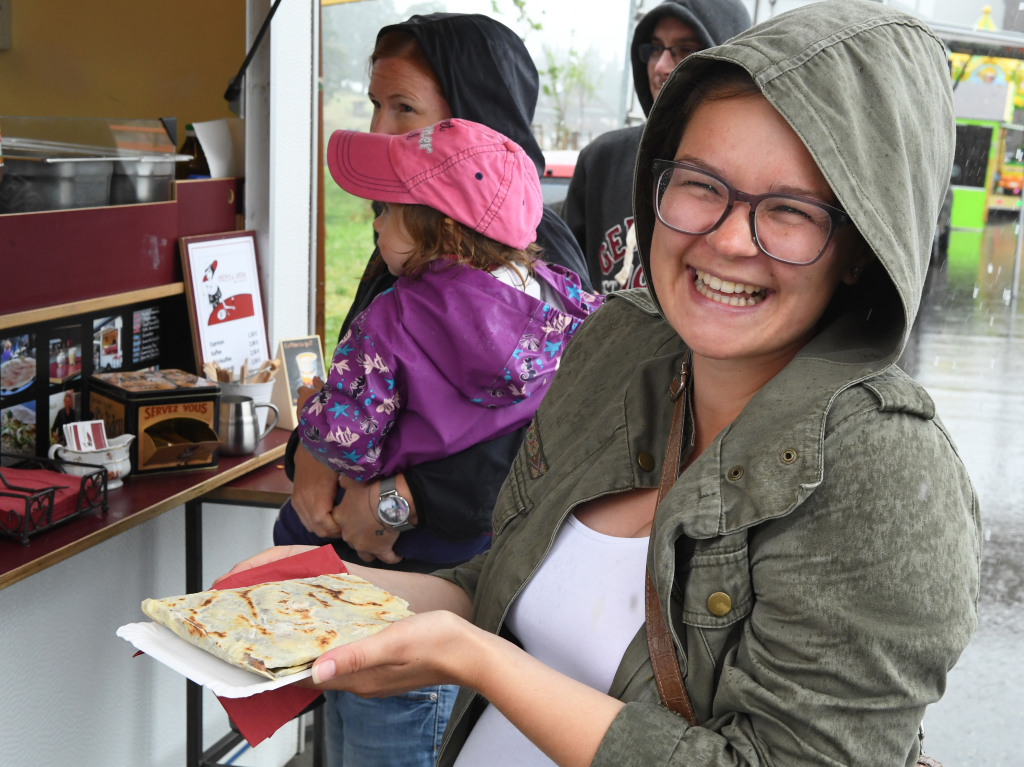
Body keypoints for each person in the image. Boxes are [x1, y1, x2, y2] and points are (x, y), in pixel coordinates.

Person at [230, 2, 983, 765]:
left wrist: (478, 658)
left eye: (787, 210)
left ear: (861, 244)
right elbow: (504, 579)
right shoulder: (619, 344)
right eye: (700, 185)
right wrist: (326, 590)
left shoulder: (885, 469)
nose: (724, 239)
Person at [274, 15, 596, 766]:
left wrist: (382, 497)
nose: (383, 128)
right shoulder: (503, 274)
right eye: (373, 102)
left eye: (405, 110)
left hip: (438, 602)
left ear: (472, 114)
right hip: (376, 593)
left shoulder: (541, 247)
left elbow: (538, 449)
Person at [290, 117, 600, 562]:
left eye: (389, 212)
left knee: (287, 549)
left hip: (399, 539)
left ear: (441, 231)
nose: (377, 225)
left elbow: (348, 440)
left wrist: (311, 413)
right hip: (499, 540)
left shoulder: (387, 321)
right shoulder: (564, 301)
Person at [563, 0, 750, 294]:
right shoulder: (601, 159)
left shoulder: (757, 169)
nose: (661, 67)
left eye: (684, 50)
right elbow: (566, 284)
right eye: (655, 49)